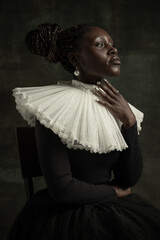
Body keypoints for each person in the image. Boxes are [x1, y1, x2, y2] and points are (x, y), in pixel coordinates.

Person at [8, 23, 160, 240]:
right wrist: (114, 192)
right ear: (75, 59)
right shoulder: (52, 109)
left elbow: (128, 178)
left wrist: (129, 121)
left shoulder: (117, 106)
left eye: (112, 44)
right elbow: (63, 189)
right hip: (65, 215)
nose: (113, 49)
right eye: (100, 44)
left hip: (111, 208)